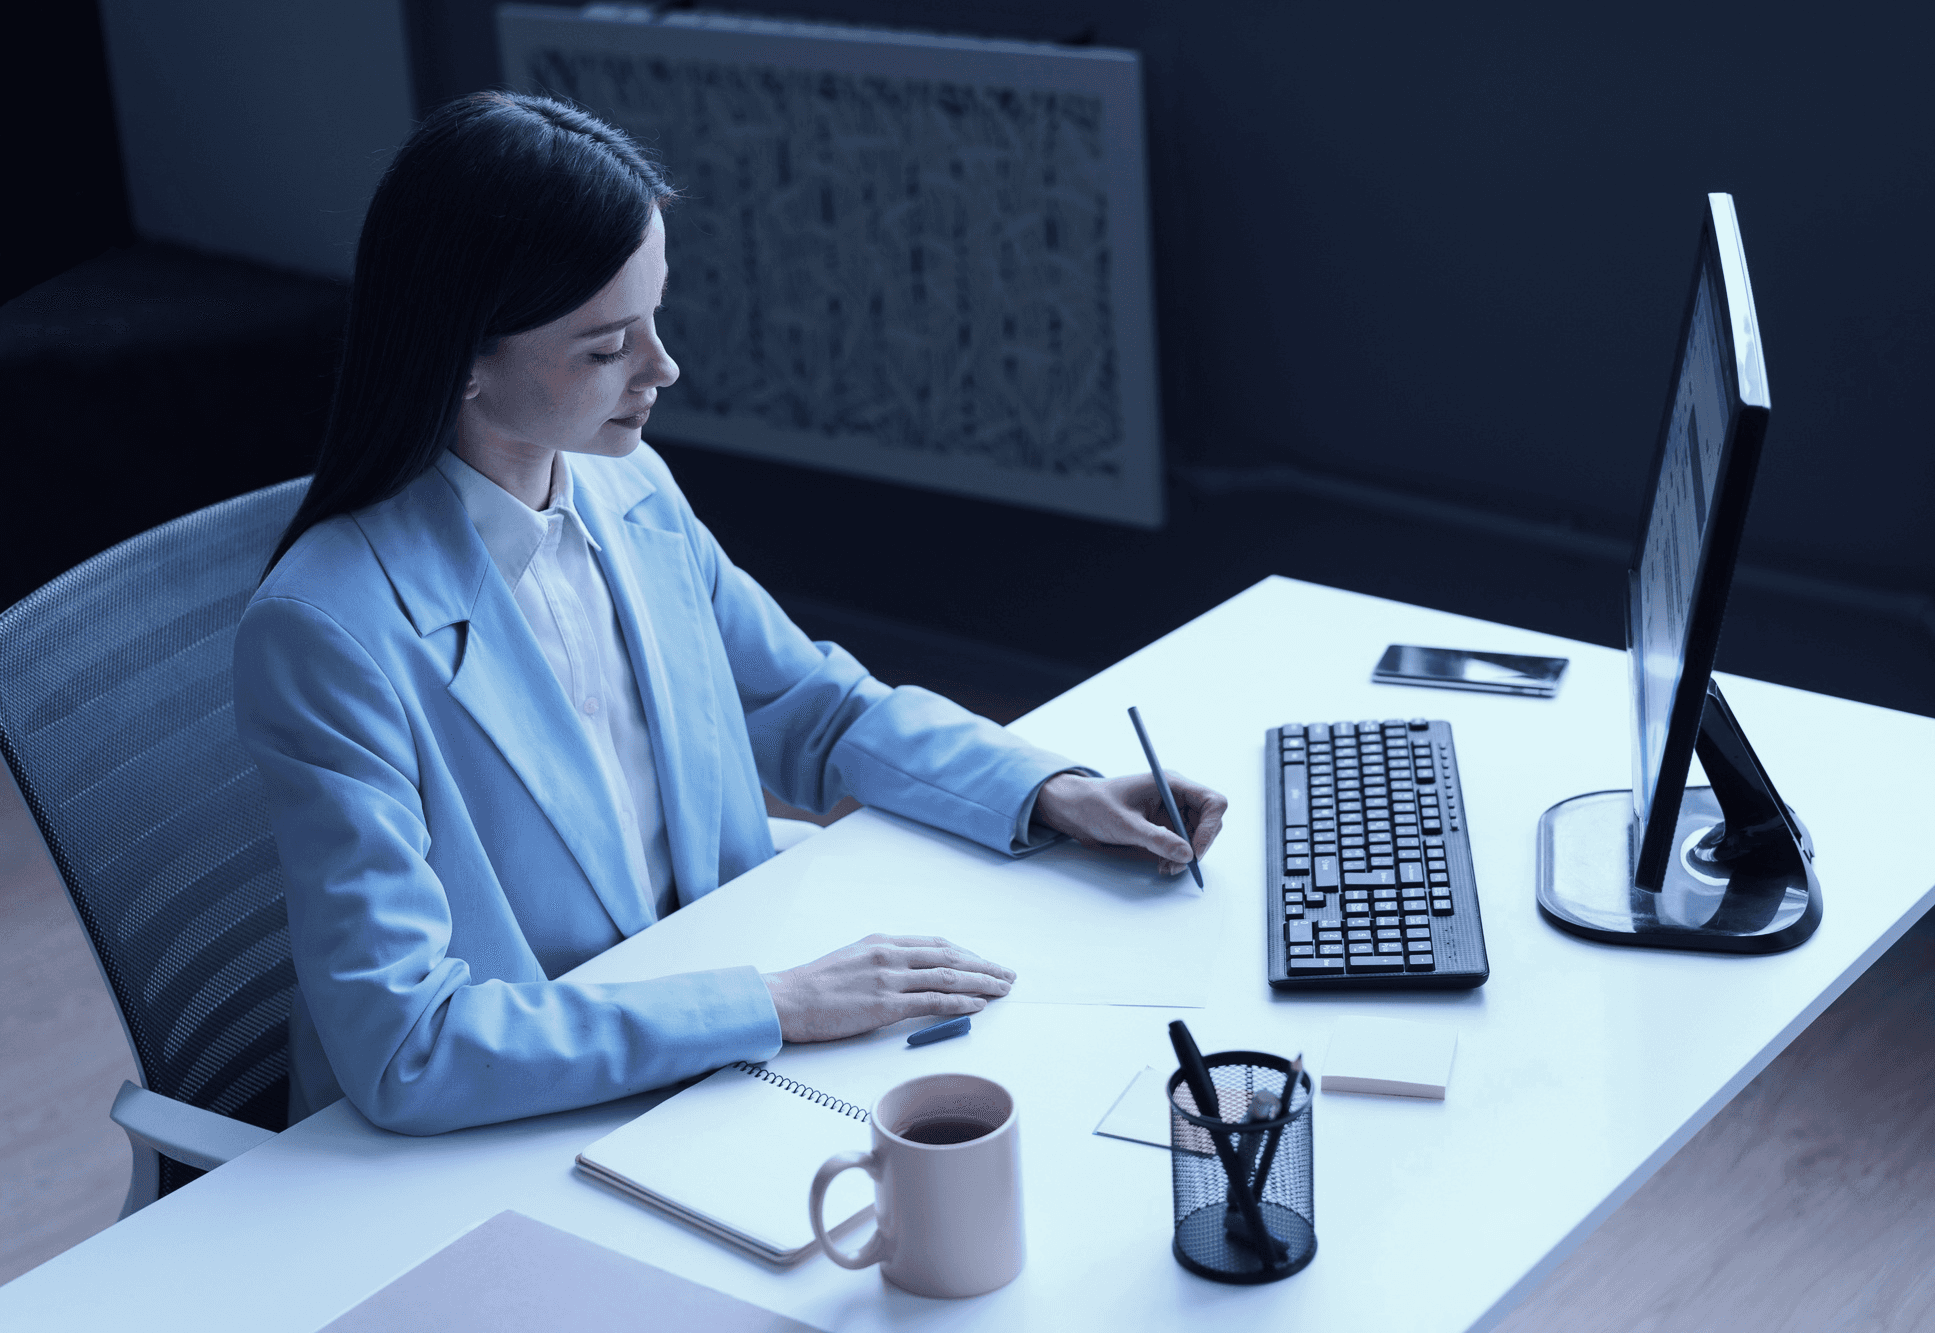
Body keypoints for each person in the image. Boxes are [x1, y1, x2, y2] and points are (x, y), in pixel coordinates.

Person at [235, 92, 1226, 1137]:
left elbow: (812, 707)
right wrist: (776, 1004)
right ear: (464, 361)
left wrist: (1048, 791)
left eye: (654, 317)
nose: (662, 369)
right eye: (606, 345)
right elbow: (407, 1046)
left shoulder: (629, 490)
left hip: (710, 1044)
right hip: (525, 1114)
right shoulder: (325, 633)